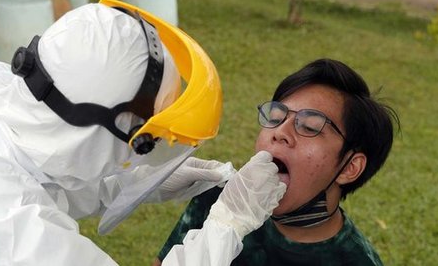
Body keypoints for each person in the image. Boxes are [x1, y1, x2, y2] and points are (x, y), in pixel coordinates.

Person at [0, 0, 285, 265]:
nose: (144, 149)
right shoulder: (1, 230)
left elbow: (37, 166)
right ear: (110, 128)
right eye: (146, 140)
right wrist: (228, 224)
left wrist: (130, 185)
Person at [155, 58, 399, 266]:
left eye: (310, 127)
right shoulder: (224, 202)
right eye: (275, 118)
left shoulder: (355, 261)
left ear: (349, 167)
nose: (279, 131)